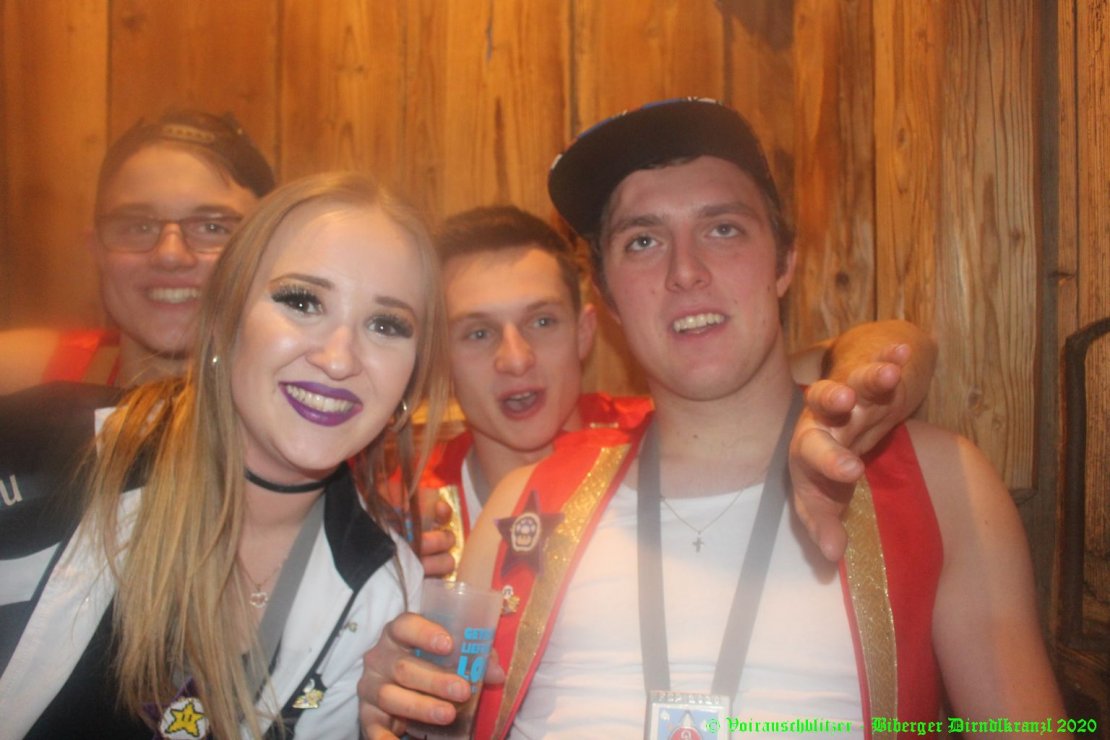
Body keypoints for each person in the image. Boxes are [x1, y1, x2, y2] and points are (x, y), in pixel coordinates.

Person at [357, 99, 1064, 738]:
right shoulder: (523, 506)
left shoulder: (941, 484)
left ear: (785, 261)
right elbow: (438, 719)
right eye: (643, 241)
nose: (685, 271)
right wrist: (396, 709)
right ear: (608, 293)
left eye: (723, 229)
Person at [0, 171, 447, 738]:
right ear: (225, 320)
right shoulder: (51, 451)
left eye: (386, 324)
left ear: (411, 378)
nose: (339, 359)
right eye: (302, 301)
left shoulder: (382, 588)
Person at [416, 205, 936, 577]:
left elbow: (865, 351)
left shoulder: (657, 434)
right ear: (438, 359)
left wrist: (869, 392)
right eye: (477, 334)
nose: (515, 358)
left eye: (543, 321)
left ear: (585, 333)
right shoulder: (409, 503)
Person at [0, 109, 274, 393]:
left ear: (269, 250)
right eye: (139, 227)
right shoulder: (31, 376)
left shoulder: (301, 400)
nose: (170, 255)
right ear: (97, 250)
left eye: (212, 227)